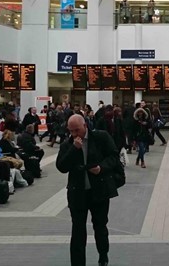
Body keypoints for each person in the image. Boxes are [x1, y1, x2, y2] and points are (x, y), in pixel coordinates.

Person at [56, 114, 119, 266]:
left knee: (100, 226)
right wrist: (73, 149)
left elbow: (114, 157)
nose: (74, 134)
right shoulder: (67, 144)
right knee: (77, 231)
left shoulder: (101, 137)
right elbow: (61, 167)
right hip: (77, 193)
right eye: (71, 131)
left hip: (99, 191)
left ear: (85, 126)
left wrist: (101, 168)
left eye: (77, 130)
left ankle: (103, 256)